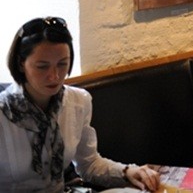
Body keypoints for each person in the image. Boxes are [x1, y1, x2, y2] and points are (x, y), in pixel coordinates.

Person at [0, 17, 160, 192]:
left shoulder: (77, 101)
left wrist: (127, 171)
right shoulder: (3, 114)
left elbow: (89, 164)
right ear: (21, 64)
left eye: (62, 64)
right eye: (42, 66)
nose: (54, 76)